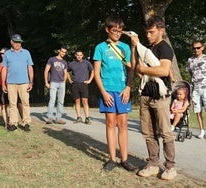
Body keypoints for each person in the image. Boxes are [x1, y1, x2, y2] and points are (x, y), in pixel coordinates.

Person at [130, 15, 177, 180]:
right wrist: (134, 46)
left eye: (151, 32)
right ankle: (153, 164)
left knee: (165, 132)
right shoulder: (146, 49)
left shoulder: (165, 48)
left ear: (161, 31)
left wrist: (143, 69)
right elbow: (135, 66)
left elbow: (164, 71)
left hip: (161, 97)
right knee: (148, 133)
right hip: (145, 95)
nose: (148, 35)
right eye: (146, 32)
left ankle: (170, 167)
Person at [93, 16, 136, 172]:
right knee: (111, 123)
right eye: (114, 31)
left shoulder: (124, 47)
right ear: (107, 30)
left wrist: (129, 88)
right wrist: (103, 93)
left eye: (119, 31)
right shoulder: (100, 48)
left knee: (123, 124)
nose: (117, 33)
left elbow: (132, 67)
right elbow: (96, 73)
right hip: (108, 90)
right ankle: (112, 159)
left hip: (123, 90)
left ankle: (125, 159)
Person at [1, 34, 34, 132]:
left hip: (24, 82)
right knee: (12, 104)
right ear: (11, 42)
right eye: (15, 42)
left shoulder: (26, 53)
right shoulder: (7, 54)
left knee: (25, 103)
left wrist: (31, 82)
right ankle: (13, 123)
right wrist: (3, 83)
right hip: (11, 83)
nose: (17, 44)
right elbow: (4, 69)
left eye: (19, 42)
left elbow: (30, 68)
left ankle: (26, 123)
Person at [0, 47, 23, 128]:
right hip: (2, 87)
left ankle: (22, 120)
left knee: (17, 103)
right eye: (1, 54)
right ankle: (6, 123)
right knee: (3, 105)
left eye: (3, 53)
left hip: (13, 86)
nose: (1, 55)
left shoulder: (12, 63)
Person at [67, 49, 94, 124]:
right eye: (77, 55)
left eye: (80, 55)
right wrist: (69, 80)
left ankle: (87, 118)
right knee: (77, 101)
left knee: (85, 101)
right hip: (75, 84)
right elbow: (66, 71)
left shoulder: (87, 63)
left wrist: (90, 80)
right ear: (75, 55)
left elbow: (92, 71)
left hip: (84, 84)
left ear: (82, 56)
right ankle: (78, 117)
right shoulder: (72, 64)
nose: (79, 56)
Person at [186, 39, 206, 139]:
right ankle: (202, 130)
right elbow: (190, 72)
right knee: (198, 111)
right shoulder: (190, 60)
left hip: (205, 87)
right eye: (194, 48)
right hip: (195, 89)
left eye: (198, 48)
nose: (196, 50)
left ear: (202, 48)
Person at [44, 45, 68, 125]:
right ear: (59, 51)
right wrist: (46, 82)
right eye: (62, 51)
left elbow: (65, 73)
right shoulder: (52, 59)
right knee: (52, 100)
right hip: (53, 82)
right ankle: (49, 118)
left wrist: (64, 81)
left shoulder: (64, 62)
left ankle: (58, 118)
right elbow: (46, 70)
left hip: (61, 83)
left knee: (60, 101)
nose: (63, 53)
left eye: (65, 52)